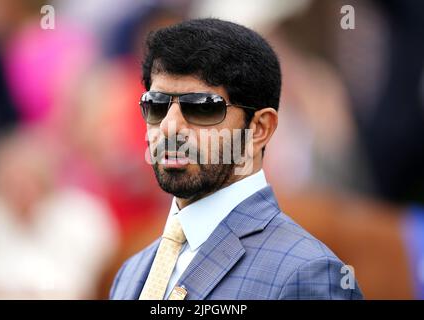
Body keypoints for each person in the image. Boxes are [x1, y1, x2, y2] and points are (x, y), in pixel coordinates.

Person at [110, 18, 363, 300]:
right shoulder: (131, 273)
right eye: (155, 105)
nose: (168, 126)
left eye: (202, 107)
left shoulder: (308, 274)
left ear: (259, 128)